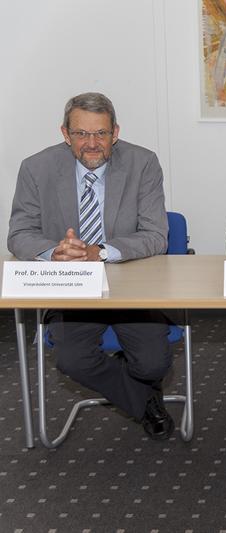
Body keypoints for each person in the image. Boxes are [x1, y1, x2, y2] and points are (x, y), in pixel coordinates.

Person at [7, 92, 174, 440]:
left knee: (154, 361)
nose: (92, 144)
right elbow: (19, 233)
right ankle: (144, 401)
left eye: (100, 133)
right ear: (65, 134)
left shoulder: (143, 163)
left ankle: (136, 383)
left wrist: (99, 252)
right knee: (72, 360)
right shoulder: (36, 168)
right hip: (69, 286)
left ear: (115, 132)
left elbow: (156, 235)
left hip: (132, 284)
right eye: (81, 134)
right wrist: (55, 252)